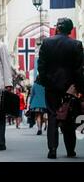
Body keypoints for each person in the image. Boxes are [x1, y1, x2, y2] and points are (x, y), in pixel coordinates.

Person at [38, 17, 84, 159]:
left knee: (52, 116)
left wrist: (46, 82)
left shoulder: (47, 42)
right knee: (69, 117)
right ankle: (70, 150)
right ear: (70, 30)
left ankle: (52, 149)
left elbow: (41, 67)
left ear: (57, 28)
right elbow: (79, 70)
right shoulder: (76, 44)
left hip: (51, 86)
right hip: (69, 87)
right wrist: (80, 88)